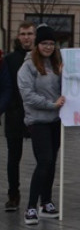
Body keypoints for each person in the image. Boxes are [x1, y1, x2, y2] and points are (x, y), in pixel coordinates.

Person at [17, 25, 65, 225]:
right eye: (44, 43)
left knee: (52, 161)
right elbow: (27, 95)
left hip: (55, 121)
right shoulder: (28, 66)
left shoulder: (57, 64)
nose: (48, 47)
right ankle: (31, 206)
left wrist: (65, 76)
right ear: (37, 45)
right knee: (44, 161)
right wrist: (51, 105)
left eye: (52, 44)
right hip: (37, 121)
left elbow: (65, 89)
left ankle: (46, 202)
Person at [4, 22, 34, 212]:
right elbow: (6, 89)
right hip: (15, 113)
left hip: (37, 113)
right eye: (23, 34)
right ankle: (13, 194)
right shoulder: (10, 60)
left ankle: (42, 195)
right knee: (13, 157)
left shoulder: (42, 57)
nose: (26, 37)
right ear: (17, 36)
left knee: (43, 156)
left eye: (30, 33)